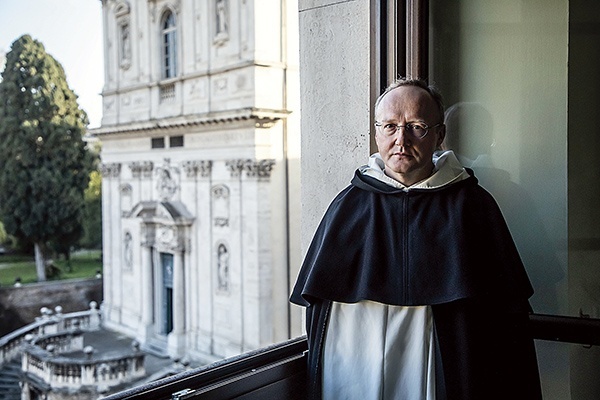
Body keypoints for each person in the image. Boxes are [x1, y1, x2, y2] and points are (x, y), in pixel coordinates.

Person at [290, 78, 541, 400]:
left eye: (417, 127)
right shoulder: (347, 205)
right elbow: (320, 309)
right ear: (377, 133)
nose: (401, 140)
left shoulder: (472, 206)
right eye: (390, 127)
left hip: (442, 359)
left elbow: (504, 322)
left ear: (439, 135)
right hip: (356, 359)